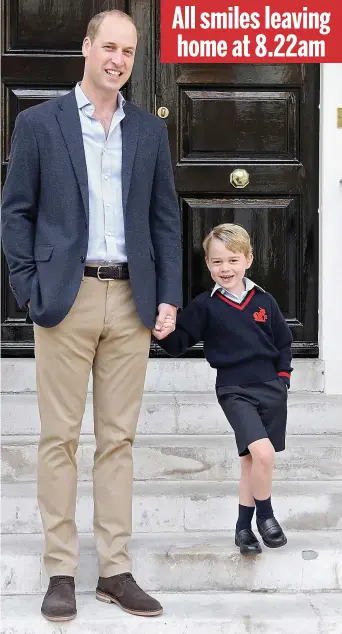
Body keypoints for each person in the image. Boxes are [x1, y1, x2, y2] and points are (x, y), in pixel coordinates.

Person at [2, 9, 181, 622]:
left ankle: (114, 570)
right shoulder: (39, 124)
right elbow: (16, 212)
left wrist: (169, 295)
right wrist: (29, 288)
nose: (119, 60)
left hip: (131, 301)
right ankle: (59, 571)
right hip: (66, 297)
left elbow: (165, 218)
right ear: (86, 47)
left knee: (118, 441)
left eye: (129, 52)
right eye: (110, 47)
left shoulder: (149, 132)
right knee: (58, 439)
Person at [154, 223, 292, 557]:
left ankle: (243, 529)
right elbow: (179, 343)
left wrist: (283, 379)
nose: (225, 268)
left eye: (232, 260)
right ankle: (267, 517)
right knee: (264, 455)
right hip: (234, 389)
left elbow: (283, 342)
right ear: (208, 265)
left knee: (250, 462)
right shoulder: (205, 306)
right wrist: (161, 332)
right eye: (217, 262)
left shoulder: (264, 300)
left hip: (271, 389)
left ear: (248, 259)